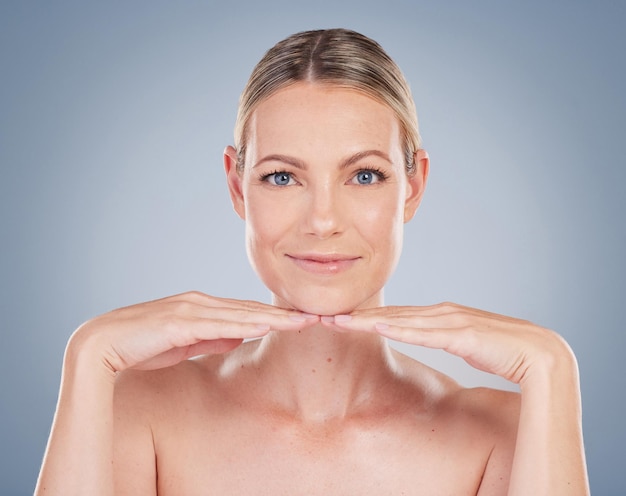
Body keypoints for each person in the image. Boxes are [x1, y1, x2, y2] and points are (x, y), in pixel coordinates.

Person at [35, 28, 589, 495]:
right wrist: (88, 357)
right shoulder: (135, 411)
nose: (323, 220)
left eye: (364, 175)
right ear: (236, 185)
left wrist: (553, 370)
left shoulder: (502, 433)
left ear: (414, 186)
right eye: (282, 176)